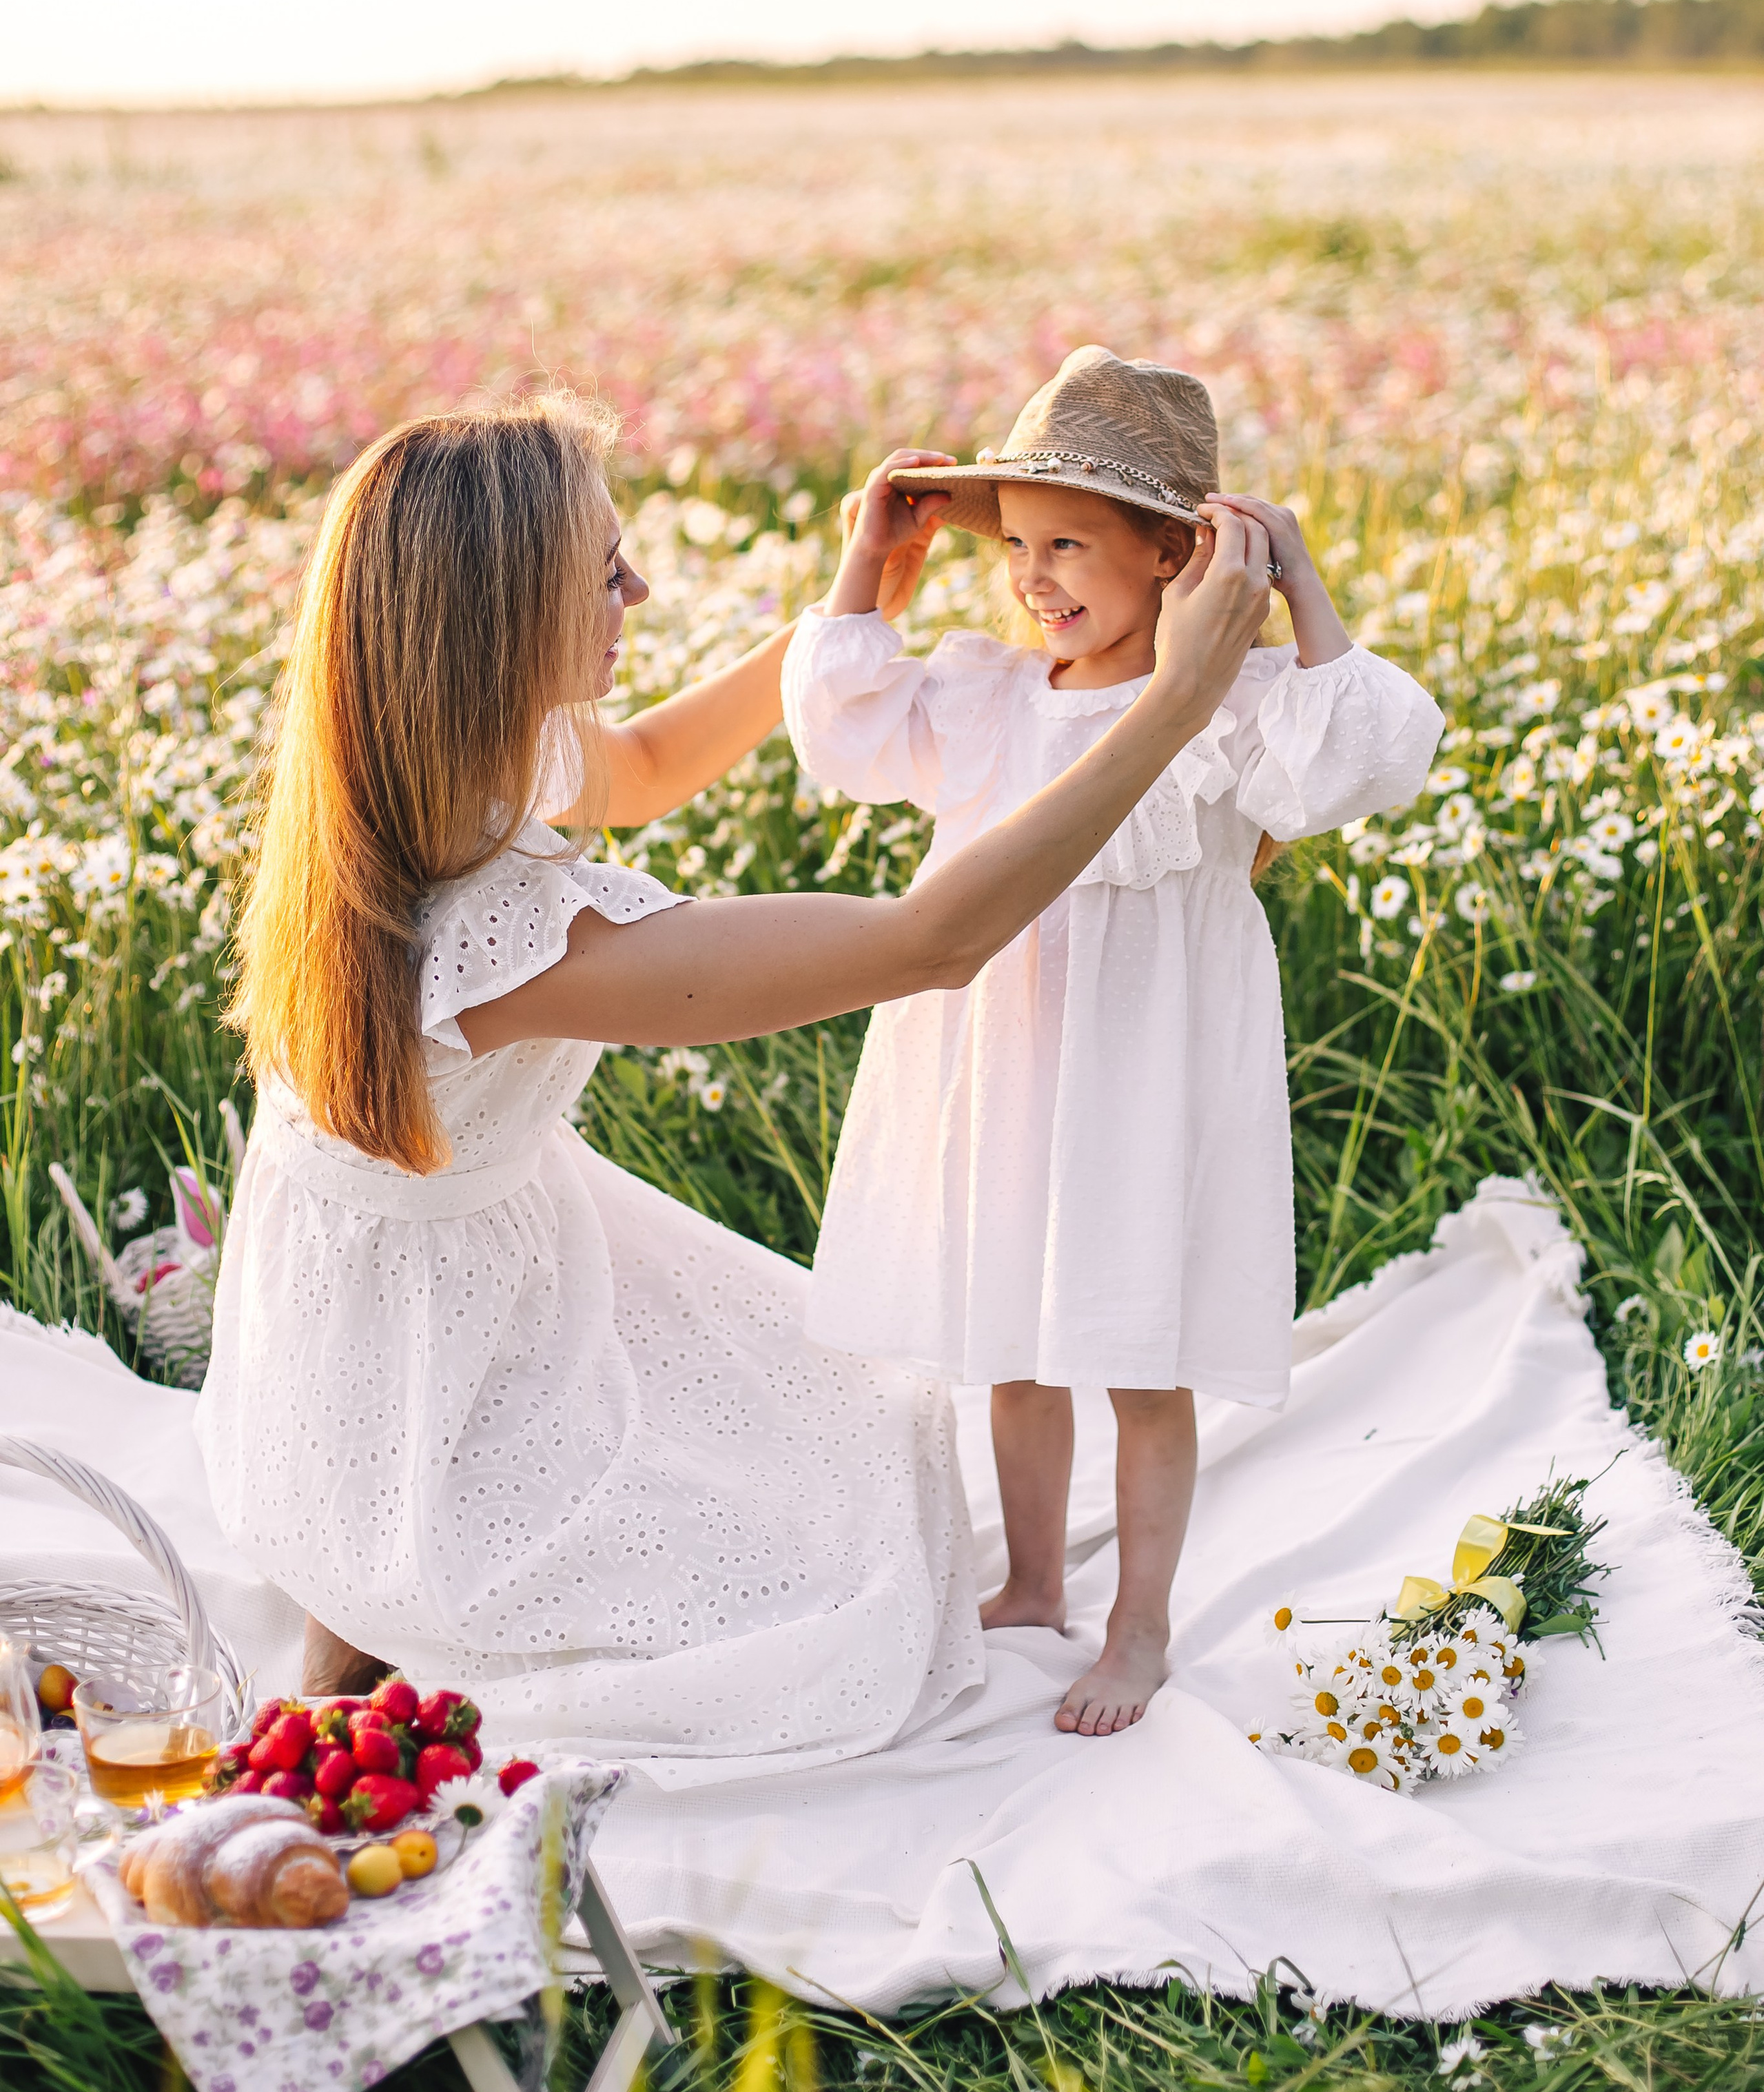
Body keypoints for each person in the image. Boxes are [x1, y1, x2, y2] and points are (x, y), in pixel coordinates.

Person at [193, 390, 1272, 1760]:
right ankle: (389, 1585)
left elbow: (640, 770)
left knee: (867, 1433)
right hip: (404, 1380)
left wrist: (860, 594)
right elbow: (930, 943)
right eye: (602, 572)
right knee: (837, 1588)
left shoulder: (431, 753)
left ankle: (365, 1598)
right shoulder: (505, 947)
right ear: (502, 616)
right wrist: (1169, 704)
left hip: (435, 1271)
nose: (636, 588)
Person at [781, 347, 1445, 1741]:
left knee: (1138, 1353)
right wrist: (866, 567)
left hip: (1146, 1069)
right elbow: (838, 729)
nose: (1030, 578)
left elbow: (1369, 757)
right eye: (1013, 546)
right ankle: (1032, 1583)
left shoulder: (1228, 708)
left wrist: (1293, 585)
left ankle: (1138, 1624)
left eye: (1067, 542)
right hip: (1004, 1057)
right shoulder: (985, 698)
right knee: (1015, 1341)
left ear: (1170, 553)